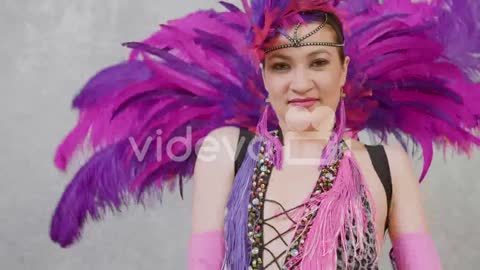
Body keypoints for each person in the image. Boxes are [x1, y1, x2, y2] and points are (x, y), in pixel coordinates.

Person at [49, 1, 479, 269]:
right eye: (281, 66)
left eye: (318, 63)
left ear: (344, 70)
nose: (300, 83)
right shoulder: (225, 151)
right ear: (264, 76)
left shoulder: (385, 164)